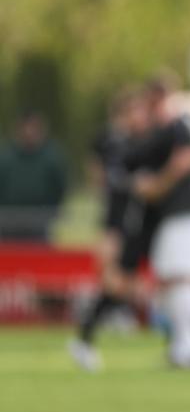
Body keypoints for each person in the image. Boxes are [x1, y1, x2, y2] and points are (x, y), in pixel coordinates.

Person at [126, 76, 190, 368]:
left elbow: (188, 159)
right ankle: (186, 344)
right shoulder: (171, 125)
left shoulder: (182, 123)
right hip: (176, 213)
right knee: (169, 278)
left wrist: (156, 185)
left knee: (181, 276)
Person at [69, 86, 154, 371]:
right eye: (137, 111)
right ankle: (85, 337)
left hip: (129, 221)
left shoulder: (132, 141)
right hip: (118, 222)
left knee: (123, 283)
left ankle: (90, 333)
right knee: (114, 280)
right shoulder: (115, 141)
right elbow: (102, 177)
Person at [0, 110, 67, 240]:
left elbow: (60, 186)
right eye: (26, 127)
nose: (29, 132)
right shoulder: (5, 157)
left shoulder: (52, 156)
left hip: (41, 221)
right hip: (8, 221)